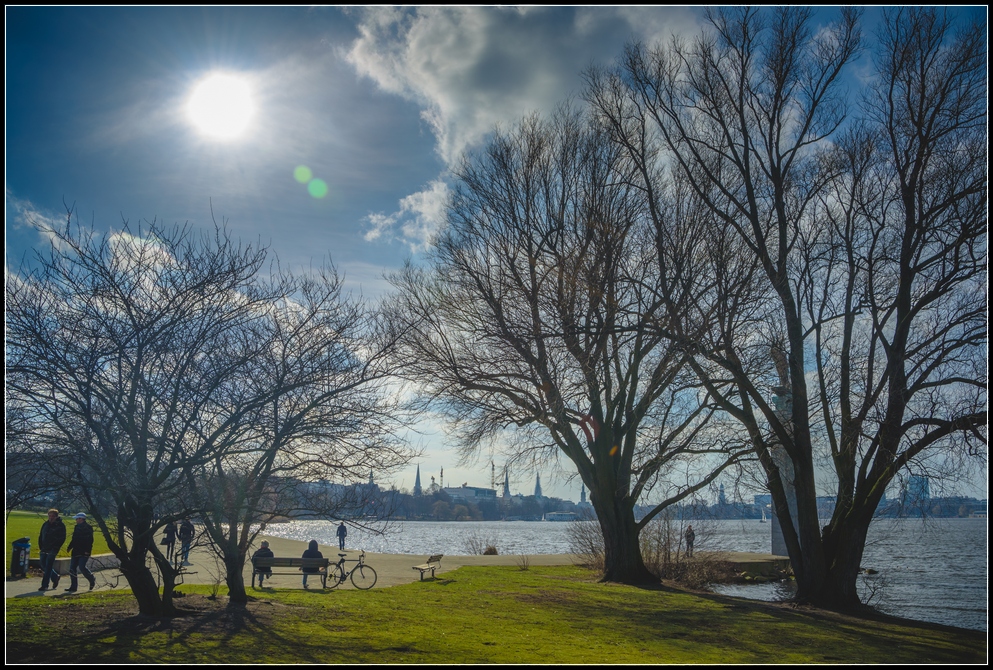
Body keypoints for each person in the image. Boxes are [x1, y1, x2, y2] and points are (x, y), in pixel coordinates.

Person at [65, 512, 97, 592]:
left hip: (84, 551)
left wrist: (87, 551)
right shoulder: (76, 527)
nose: (76, 520)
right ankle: (73, 586)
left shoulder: (88, 528)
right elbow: (74, 539)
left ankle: (91, 578)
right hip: (76, 550)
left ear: (81, 519)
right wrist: (70, 547)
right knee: (72, 569)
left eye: (77, 519)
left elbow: (90, 541)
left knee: (82, 567)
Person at [38, 509, 67, 591]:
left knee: (48, 567)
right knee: (43, 565)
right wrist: (41, 546)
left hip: (53, 549)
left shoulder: (60, 526)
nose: (51, 518)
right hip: (44, 548)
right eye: (49, 516)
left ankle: (45, 585)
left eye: (53, 516)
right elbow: (41, 535)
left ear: (56, 516)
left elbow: (62, 538)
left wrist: (55, 548)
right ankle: (55, 577)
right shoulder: (45, 524)